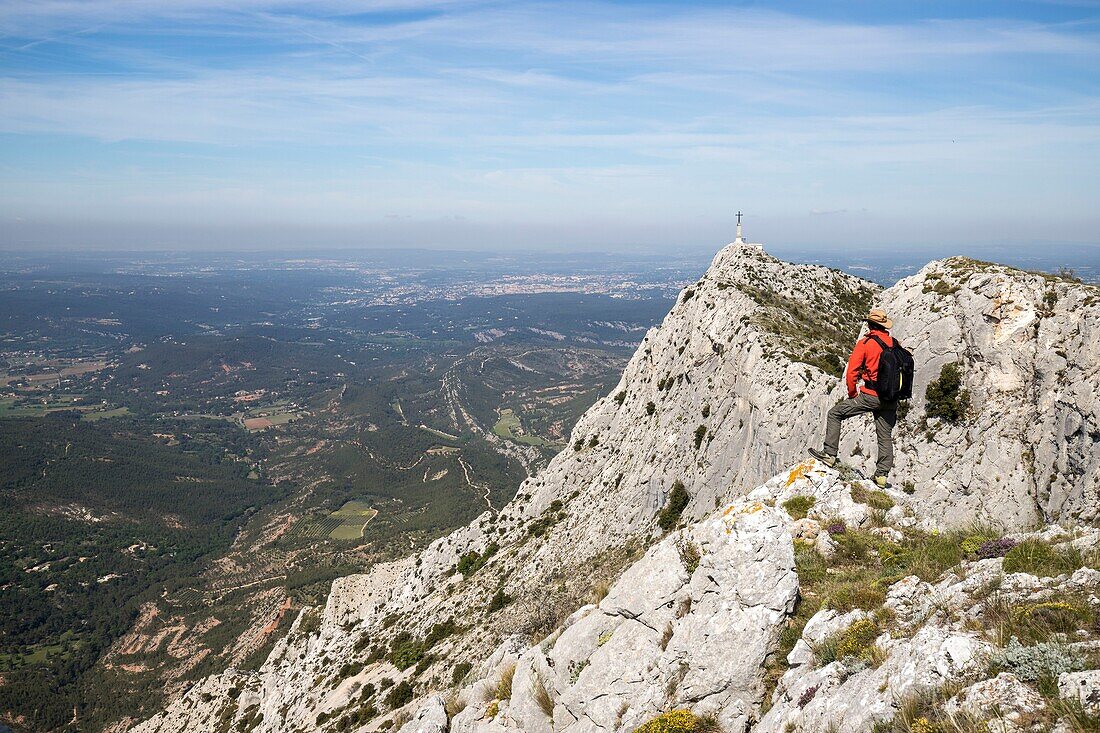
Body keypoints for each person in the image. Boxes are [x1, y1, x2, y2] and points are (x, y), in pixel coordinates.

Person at [810, 308, 899, 488]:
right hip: (890, 398)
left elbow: (852, 372)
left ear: (869, 325)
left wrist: (852, 393)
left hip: (870, 396)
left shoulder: (866, 343)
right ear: (884, 327)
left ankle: (829, 454)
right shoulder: (895, 343)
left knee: (835, 413)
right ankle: (881, 477)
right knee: (885, 436)